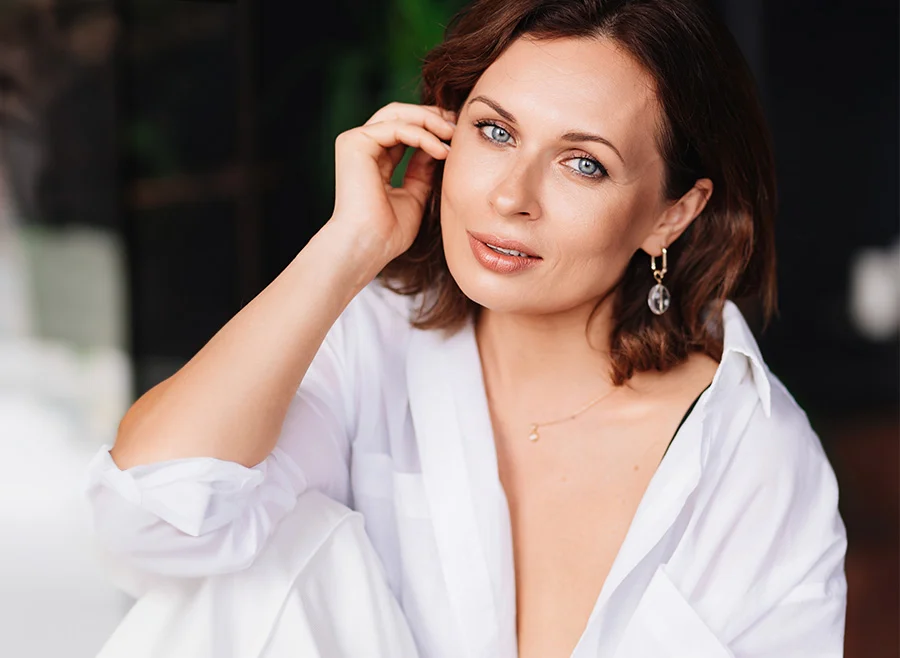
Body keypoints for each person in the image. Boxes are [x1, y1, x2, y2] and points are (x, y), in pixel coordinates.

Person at [84, 0, 848, 656]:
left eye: (583, 164)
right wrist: (346, 249)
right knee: (260, 556)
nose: (512, 195)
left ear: (671, 213)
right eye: (495, 132)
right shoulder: (374, 343)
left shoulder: (749, 454)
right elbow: (153, 517)